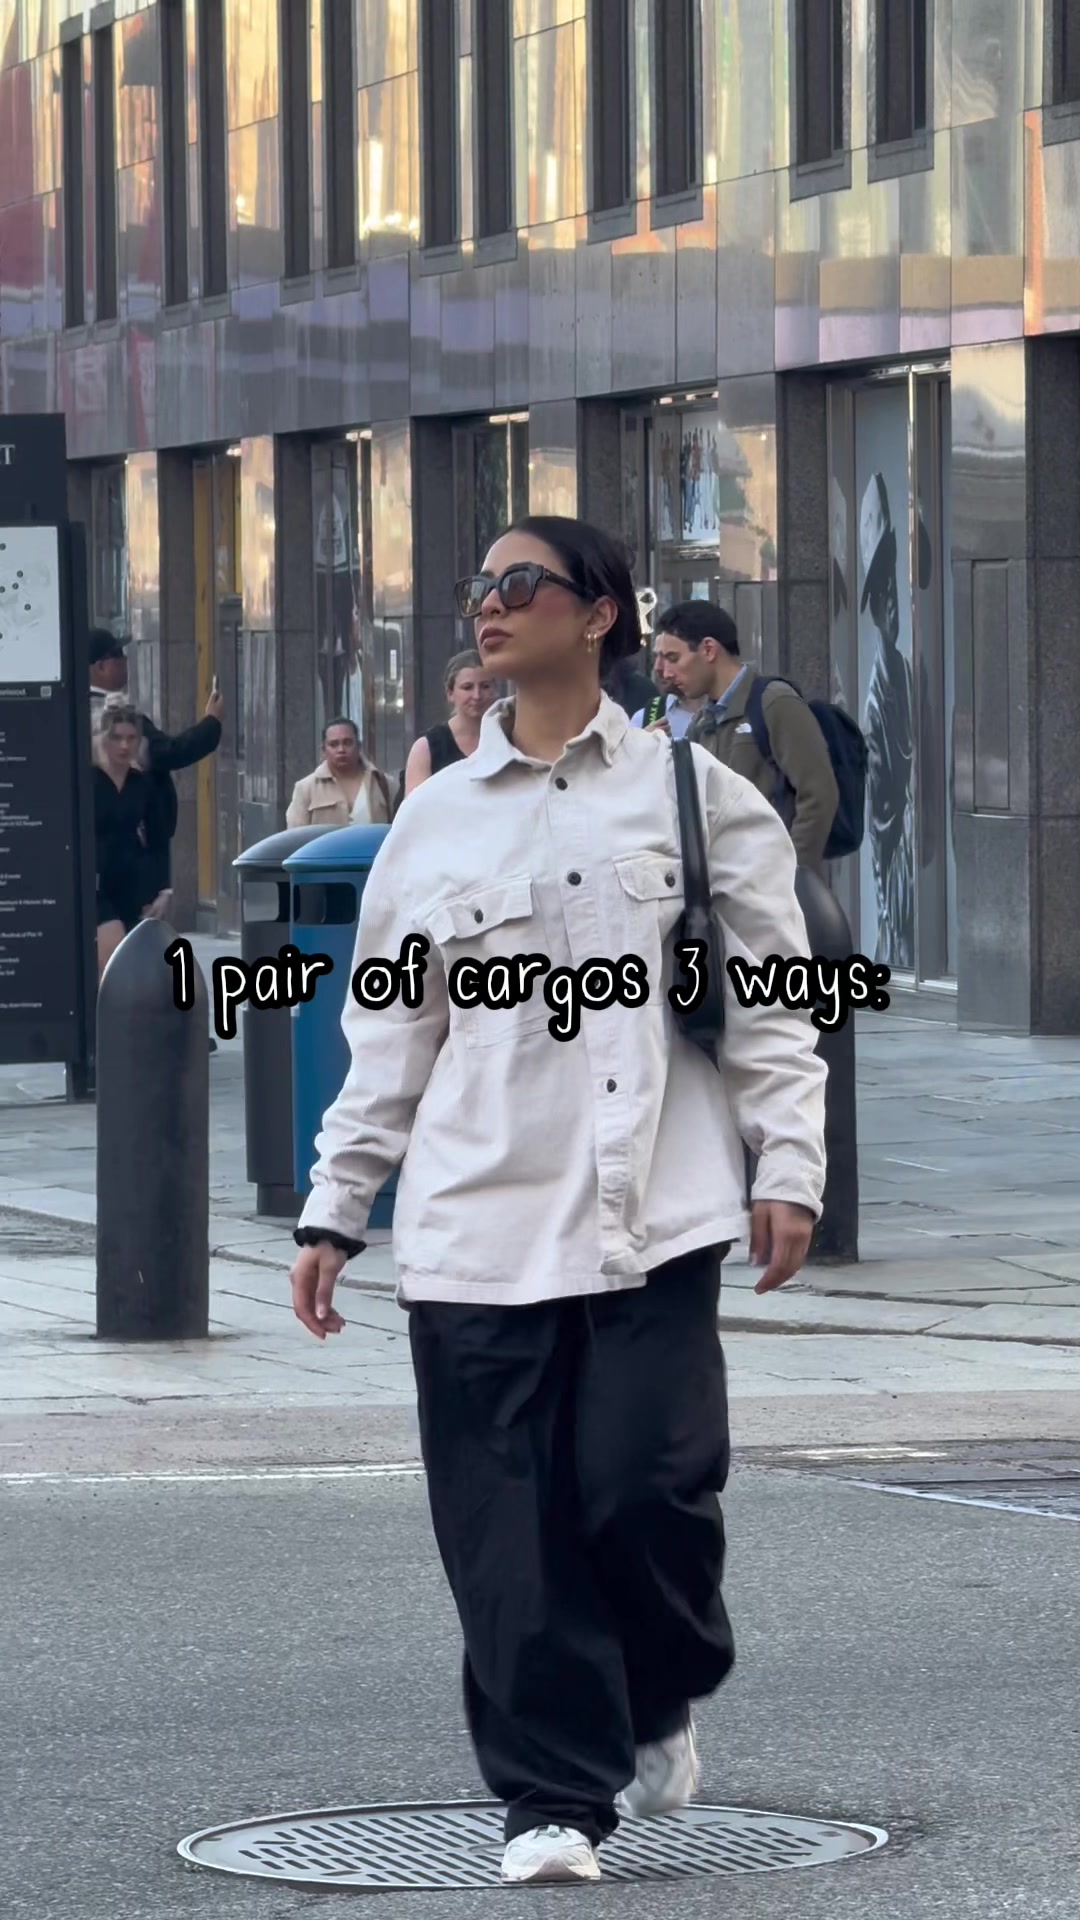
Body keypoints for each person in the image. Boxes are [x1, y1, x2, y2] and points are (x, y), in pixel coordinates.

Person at [289, 514, 827, 1887]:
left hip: (657, 1214)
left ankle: (658, 1688)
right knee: (507, 1539)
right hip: (476, 1224)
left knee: (651, 1492)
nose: (489, 604)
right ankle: (551, 1800)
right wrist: (336, 1206)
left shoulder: (699, 798)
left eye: (520, 583)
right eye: (478, 584)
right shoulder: (434, 820)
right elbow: (389, 1031)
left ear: (598, 615)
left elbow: (773, 1003)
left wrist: (790, 1165)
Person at [655, 601, 839, 877]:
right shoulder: (702, 723)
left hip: (770, 884)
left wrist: (791, 876)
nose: (666, 673)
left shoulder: (774, 702)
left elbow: (819, 794)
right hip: (723, 884)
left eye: (673, 658)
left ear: (708, 650)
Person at [89, 628, 224, 899]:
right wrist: (212, 722)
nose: (125, 661)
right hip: (131, 848)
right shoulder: (114, 716)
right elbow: (167, 753)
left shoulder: (79, 710)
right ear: (101, 666)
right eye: (119, 655)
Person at [858, 474, 915, 970]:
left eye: (893, 580)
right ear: (874, 605)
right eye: (882, 591)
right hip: (901, 897)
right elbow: (881, 824)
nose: (891, 599)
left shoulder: (906, 674)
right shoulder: (879, 697)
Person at [92, 699, 169, 976]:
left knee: (136, 966)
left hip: (135, 883)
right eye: (117, 737)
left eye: (131, 738)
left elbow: (158, 838)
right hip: (97, 883)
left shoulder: (142, 784)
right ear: (104, 738)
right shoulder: (89, 780)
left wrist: (165, 890)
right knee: (111, 954)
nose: (124, 745)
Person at [401, 651, 497, 799]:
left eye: (485, 686)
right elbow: (415, 808)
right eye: (467, 687)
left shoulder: (508, 737)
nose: (477, 695)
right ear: (450, 693)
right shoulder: (427, 748)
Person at [286, 718, 391, 828]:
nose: (341, 750)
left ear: (359, 746)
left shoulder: (384, 784)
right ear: (324, 749)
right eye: (334, 744)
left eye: (348, 743)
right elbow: (296, 834)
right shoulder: (305, 789)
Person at [630, 653, 703, 740]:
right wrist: (643, 742)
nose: (657, 667)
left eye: (671, 658)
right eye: (655, 658)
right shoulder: (644, 717)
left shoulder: (716, 713)